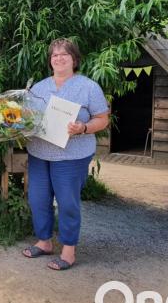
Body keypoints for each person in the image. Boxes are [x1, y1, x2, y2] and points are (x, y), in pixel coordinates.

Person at [22, 38, 110, 271]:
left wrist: (83, 128)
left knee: (67, 203)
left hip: (71, 156)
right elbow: (29, 118)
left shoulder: (88, 87)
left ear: (74, 59)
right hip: (39, 153)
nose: (59, 58)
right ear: (50, 60)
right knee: (38, 199)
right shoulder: (38, 88)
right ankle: (44, 242)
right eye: (55, 55)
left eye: (64, 54)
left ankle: (68, 251)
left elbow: (102, 119)